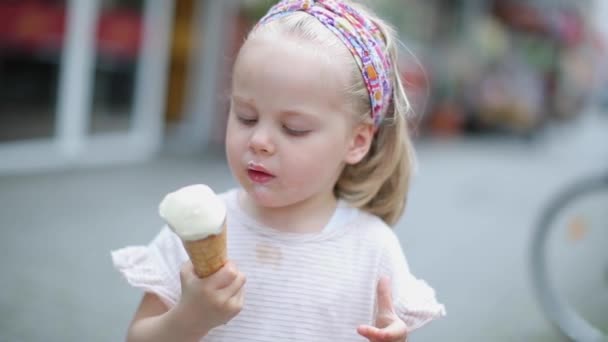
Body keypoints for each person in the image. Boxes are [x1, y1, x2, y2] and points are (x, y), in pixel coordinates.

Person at [111, 0, 446, 341]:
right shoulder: (195, 229)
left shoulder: (373, 249)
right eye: (245, 116)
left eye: (294, 128)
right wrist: (189, 319)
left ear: (357, 141)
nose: (259, 141)